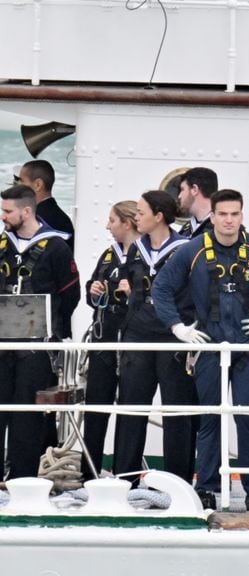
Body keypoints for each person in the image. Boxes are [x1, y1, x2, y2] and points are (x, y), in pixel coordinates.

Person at [152, 189, 249, 512]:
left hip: (248, 349)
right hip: (209, 348)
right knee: (210, 420)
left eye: (235, 214)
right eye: (223, 214)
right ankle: (206, 488)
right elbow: (161, 287)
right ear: (214, 216)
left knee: (248, 420)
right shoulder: (192, 251)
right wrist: (178, 327)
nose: (229, 220)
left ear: (242, 216)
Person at [112, 191, 196, 484]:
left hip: (172, 336)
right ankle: (126, 476)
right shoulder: (136, 249)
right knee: (131, 407)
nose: (136, 217)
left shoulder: (186, 249)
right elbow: (127, 280)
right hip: (138, 335)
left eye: (141, 212)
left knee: (177, 411)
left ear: (158, 216)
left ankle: (178, 480)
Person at [0, 185, 80, 480]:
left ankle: (22, 478)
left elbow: (70, 295)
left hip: (36, 347)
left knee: (26, 414)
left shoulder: (56, 247)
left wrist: (52, 328)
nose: (3, 216)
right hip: (2, 344)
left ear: (26, 211)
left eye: (8, 211)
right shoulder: (2, 245)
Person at [81, 200, 140, 479]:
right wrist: (93, 291)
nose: (108, 226)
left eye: (112, 220)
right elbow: (93, 293)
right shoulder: (108, 256)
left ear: (127, 223)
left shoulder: (145, 256)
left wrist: (133, 294)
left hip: (132, 341)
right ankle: (88, 472)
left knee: (130, 410)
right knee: (96, 407)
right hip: (104, 340)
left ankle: (126, 474)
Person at [18, 159, 75, 251]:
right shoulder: (62, 218)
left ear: (38, 185)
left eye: (22, 181)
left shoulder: (36, 220)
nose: (18, 187)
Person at [177, 167, 218, 238]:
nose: (179, 196)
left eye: (182, 189)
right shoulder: (186, 229)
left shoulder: (221, 229)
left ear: (194, 190)